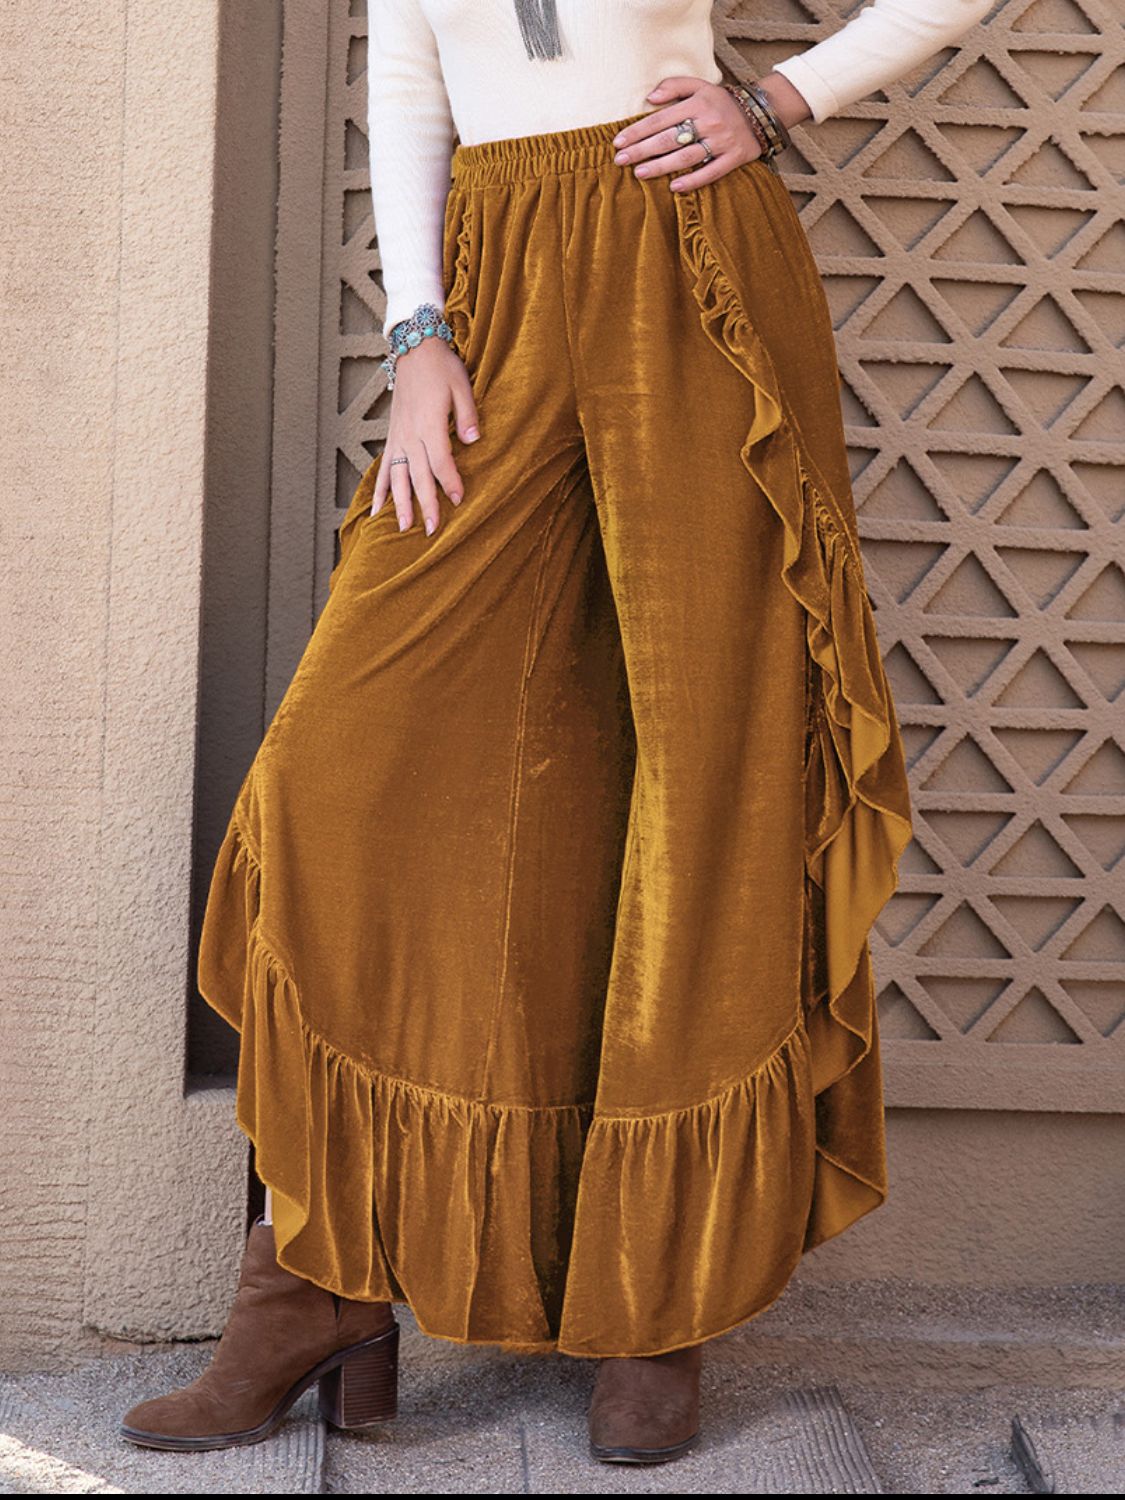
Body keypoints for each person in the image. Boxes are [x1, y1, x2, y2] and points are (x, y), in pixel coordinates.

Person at [121, 0, 991, 1466]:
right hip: (496, 281)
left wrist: (778, 100)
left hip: (687, 265)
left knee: (703, 768)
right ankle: (316, 1284)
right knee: (339, 778)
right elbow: (410, 85)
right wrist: (417, 336)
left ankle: (657, 1307)